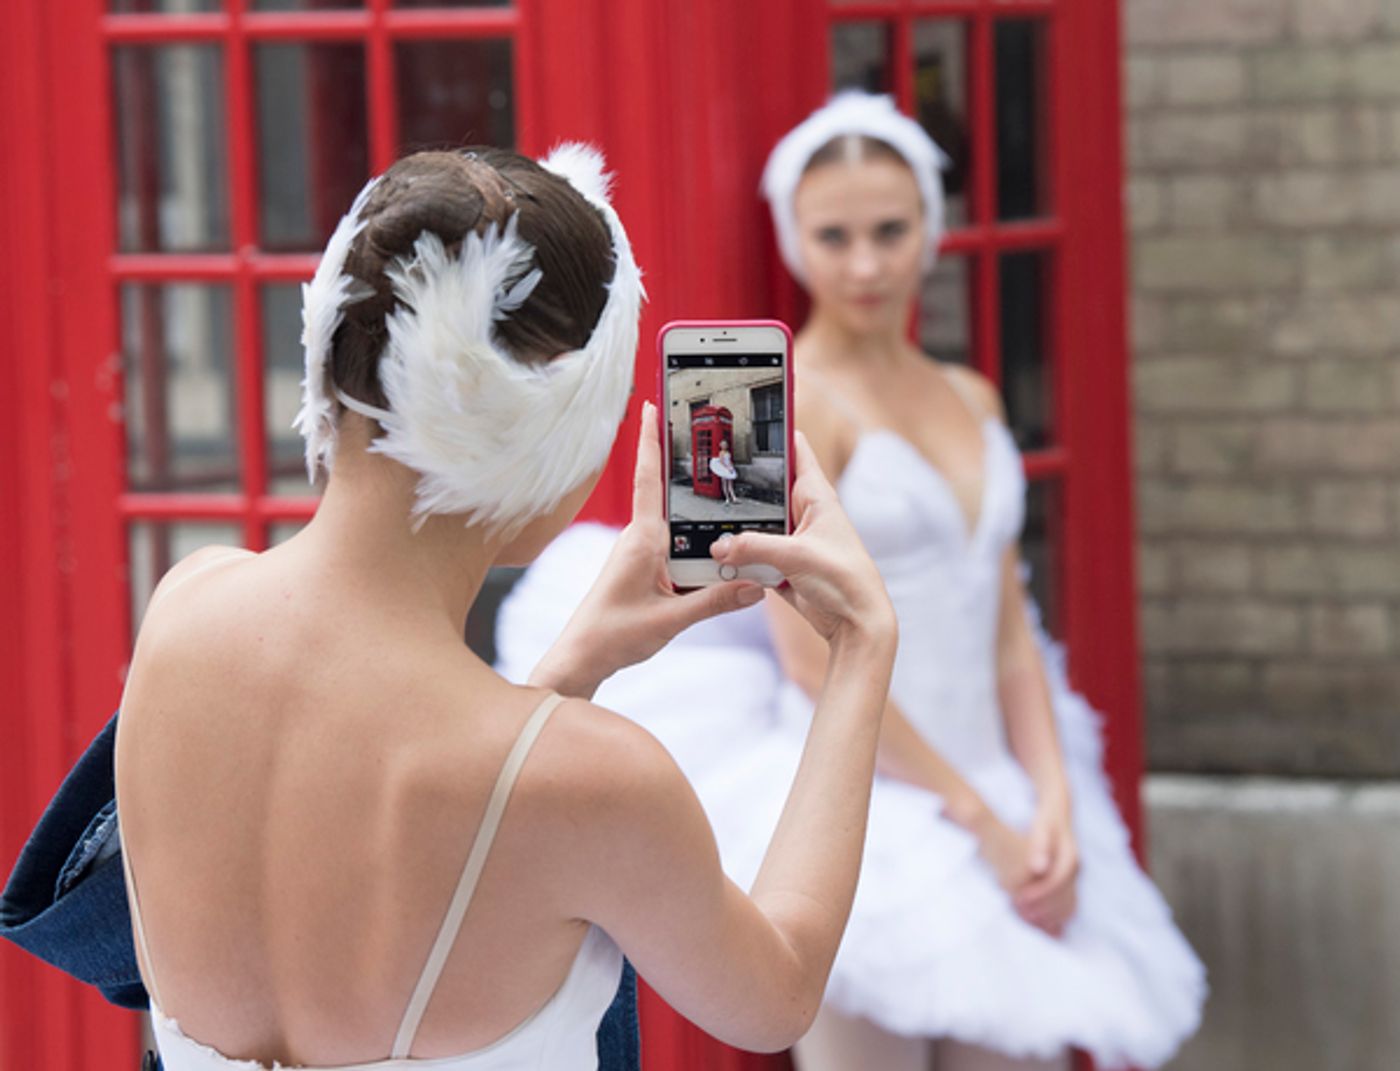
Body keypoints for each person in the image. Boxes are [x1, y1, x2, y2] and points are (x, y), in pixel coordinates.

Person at [110, 144, 897, 1070]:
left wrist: (572, 671)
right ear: (552, 436)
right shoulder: (596, 783)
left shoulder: (182, 608)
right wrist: (860, 650)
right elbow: (780, 994)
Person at [496, 94, 1206, 1071]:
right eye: (834, 235)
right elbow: (807, 658)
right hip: (868, 799)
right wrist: (976, 822)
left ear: (931, 227)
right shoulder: (794, 411)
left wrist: (1050, 801)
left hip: (996, 783)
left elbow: (1006, 629)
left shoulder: (969, 394)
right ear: (793, 240)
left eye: (889, 229)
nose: (865, 263)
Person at [710, 439, 740, 504]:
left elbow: (729, 460)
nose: (725, 446)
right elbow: (721, 462)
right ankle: (727, 498)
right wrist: (727, 468)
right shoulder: (721, 453)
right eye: (723, 445)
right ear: (721, 446)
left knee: (730, 484)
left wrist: (732, 467)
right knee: (724, 484)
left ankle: (734, 498)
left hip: (729, 468)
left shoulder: (728, 452)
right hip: (723, 469)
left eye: (725, 444)